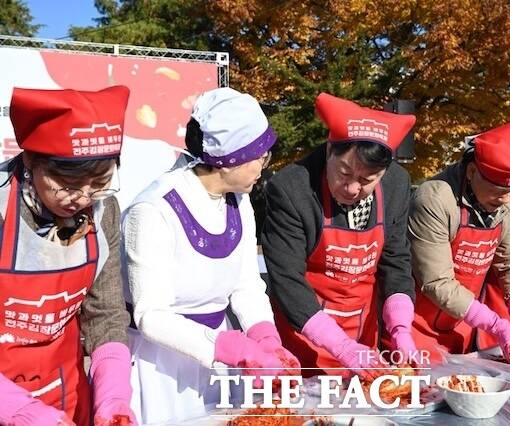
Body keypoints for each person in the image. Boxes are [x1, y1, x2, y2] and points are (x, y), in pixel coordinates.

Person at [122, 88, 299, 424]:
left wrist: (264, 336)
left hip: (222, 353)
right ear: (231, 158)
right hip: (162, 364)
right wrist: (230, 348)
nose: (265, 164)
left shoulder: (238, 200)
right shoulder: (153, 210)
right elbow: (151, 316)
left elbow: (246, 284)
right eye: (261, 156)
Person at [0, 86, 135, 426]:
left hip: (65, 393)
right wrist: (20, 411)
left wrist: (113, 394)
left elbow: (105, 313)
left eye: (99, 182)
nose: (83, 198)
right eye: (69, 184)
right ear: (30, 160)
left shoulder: (103, 211)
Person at [262, 93, 418, 379]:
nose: (351, 188)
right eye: (344, 173)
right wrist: (341, 347)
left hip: (362, 333)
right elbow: (286, 279)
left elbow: (396, 263)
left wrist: (401, 328)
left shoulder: (397, 184)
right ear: (329, 150)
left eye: (366, 181)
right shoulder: (292, 189)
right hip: (305, 334)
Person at [409, 121, 510, 363]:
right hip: (418, 324)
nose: (506, 199)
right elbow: (436, 280)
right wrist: (495, 324)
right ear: (471, 172)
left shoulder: (509, 200)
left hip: (464, 321)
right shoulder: (435, 198)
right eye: (499, 190)